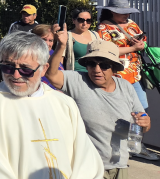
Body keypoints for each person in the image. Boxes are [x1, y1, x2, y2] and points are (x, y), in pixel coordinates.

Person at [0, 32, 104, 178]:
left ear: (44, 69)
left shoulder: (63, 104)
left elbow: (85, 159)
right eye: (8, 67)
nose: (16, 75)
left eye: (25, 69)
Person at [47, 36, 155, 176]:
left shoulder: (126, 87)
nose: (97, 70)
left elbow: (143, 123)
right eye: (91, 64)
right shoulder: (78, 80)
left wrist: (146, 123)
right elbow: (51, 75)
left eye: (104, 65)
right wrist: (61, 46)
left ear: (114, 68)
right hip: (89, 167)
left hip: (120, 165)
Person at [96, 0, 158, 161]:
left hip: (135, 75)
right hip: (117, 75)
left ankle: (137, 145)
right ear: (111, 11)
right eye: (122, 12)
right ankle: (118, 145)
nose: (126, 15)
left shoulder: (131, 24)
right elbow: (106, 50)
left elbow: (142, 41)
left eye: (127, 12)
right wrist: (132, 47)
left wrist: (140, 44)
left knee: (141, 110)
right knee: (118, 111)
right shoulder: (104, 28)